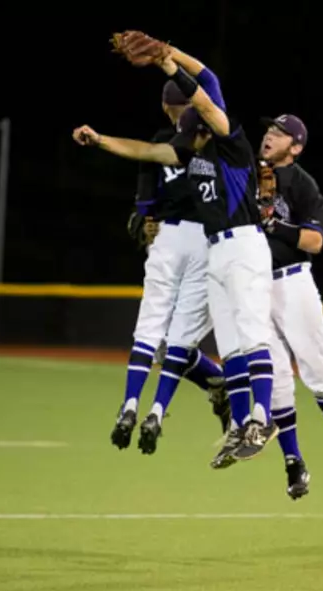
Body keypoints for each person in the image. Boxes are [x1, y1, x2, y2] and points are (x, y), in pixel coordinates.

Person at [73, 40, 278, 464]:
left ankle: (263, 417)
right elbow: (146, 151)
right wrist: (100, 141)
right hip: (217, 251)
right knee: (231, 346)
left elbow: (207, 92)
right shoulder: (193, 151)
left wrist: (169, 63)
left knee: (252, 334)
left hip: (244, 244)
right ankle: (240, 425)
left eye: (192, 130)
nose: (188, 139)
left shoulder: (230, 141)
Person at [110, 59, 230, 455]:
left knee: (151, 334)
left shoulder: (161, 145)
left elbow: (145, 206)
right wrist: (170, 56)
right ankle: (167, 406)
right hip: (208, 244)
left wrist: (145, 220)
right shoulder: (215, 141)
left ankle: (130, 404)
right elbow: (209, 82)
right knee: (177, 342)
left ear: (166, 108)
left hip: (170, 241)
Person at [248, 114, 323, 499]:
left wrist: (275, 226)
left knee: (317, 365)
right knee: (275, 376)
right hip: (254, 288)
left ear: (295, 147)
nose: (268, 136)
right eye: (268, 130)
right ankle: (293, 463)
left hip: (293, 282)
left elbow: (314, 241)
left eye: (278, 134)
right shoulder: (249, 176)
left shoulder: (303, 184)